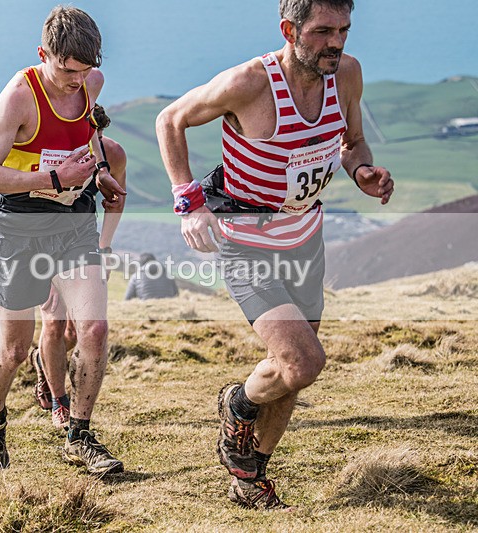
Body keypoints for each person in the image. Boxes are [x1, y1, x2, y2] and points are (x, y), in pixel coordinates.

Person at [156, 0, 394, 509]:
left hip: (304, 239)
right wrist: (188, 202)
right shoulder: (249, 83)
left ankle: (249, 473)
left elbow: (352, 143)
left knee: (288, 371)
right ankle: (237, 404)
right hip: (245, 241)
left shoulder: (345, 74)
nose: (337, 42)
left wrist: (362, 171)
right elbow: (170, 120)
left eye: (345, 30)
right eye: (323, 31)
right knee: (303, 361)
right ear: (289, 29)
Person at [0, 5, 126, 475]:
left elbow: (87, 135)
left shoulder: (89, 83)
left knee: (94, 330)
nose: (76, 81)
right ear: (44, 55)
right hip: (18, 227)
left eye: (84, 71)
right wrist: (56, 176)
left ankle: (78, 435)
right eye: (66, 70)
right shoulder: (19, 97)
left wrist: (97, 172)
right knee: (14, 352)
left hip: (73, 222)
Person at [31, 104, 128, 428]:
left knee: (78, 330)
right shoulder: (55, 153)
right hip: (41, 241)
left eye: (97, 138)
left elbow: (116, 202)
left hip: (81, 242)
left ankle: (45, 362)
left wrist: (105, 247)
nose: (92, 148)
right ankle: (60, 401)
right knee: (54, 322)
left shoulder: (113, 155)